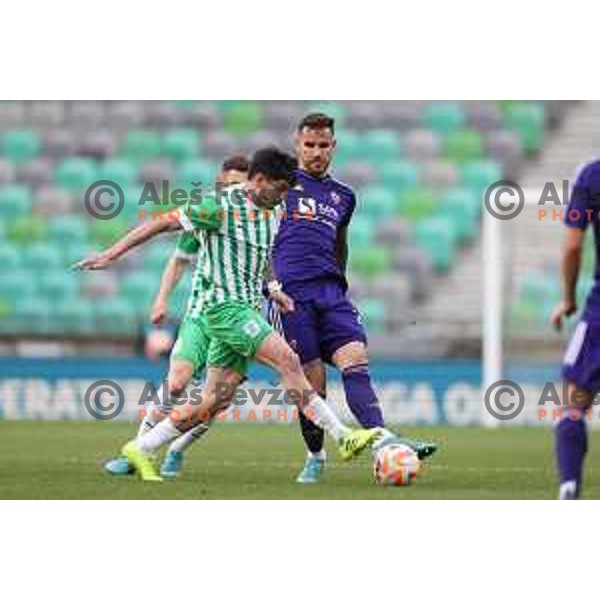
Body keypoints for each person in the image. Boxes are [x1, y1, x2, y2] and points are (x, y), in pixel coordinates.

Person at [78, 147, 387, 482]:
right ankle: (343, 436)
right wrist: (111, 254)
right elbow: (159, 224)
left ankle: (142, 446)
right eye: (280, 189)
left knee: (214, 400)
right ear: (258, 181)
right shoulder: (218, 206)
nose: (286, 197)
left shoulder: (274, 207)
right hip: (223, 308)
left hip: (248, 307)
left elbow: (261, 253)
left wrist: (274, 288)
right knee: (288, 360)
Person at [265, 113, 437, 483]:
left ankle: (384, 440)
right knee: (312, 385)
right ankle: (315, 455)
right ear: (297, 145)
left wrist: (339, 281)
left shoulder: (343, 195)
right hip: (291, 297)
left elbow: (339, 242)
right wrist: (271, 283)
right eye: (309, 145)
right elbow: (256, 237)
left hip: (331, 294)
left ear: (333, 147)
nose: (315, 152)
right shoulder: (280, 186)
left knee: (356, 360)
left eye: (323, 145)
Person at [103, 155, 250, 478]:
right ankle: (135, 452)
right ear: (220, 184)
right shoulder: (208, 215)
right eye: (229, 184)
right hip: (202, 313)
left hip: (240, 318)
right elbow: (179, 259)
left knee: (218, 400)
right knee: (178, 380)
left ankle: (176, 450)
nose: (234, 190)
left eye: (241, 184)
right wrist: (161, 300)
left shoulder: (259, 221)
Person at [551, 159, 600, 499]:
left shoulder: (592, 175)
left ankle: (570, 489)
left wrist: (568, 299)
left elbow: (572, 246)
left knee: (572, 403)